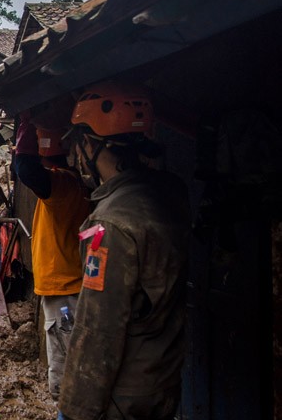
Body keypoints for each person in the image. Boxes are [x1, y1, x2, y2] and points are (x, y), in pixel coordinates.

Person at [58, 81, 190, 420]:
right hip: (163, 380)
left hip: (124, 397)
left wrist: (75, 410)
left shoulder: (109, 224)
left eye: (78, 143)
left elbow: (98, 328)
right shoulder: (172, 192)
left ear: (90, 144)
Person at [13, 98, 90, 400]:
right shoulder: (81, 183)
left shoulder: (63, 185)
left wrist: (25, 124)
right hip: (73, 283)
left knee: (67, 373)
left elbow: (26, 169)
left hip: (65, 289)